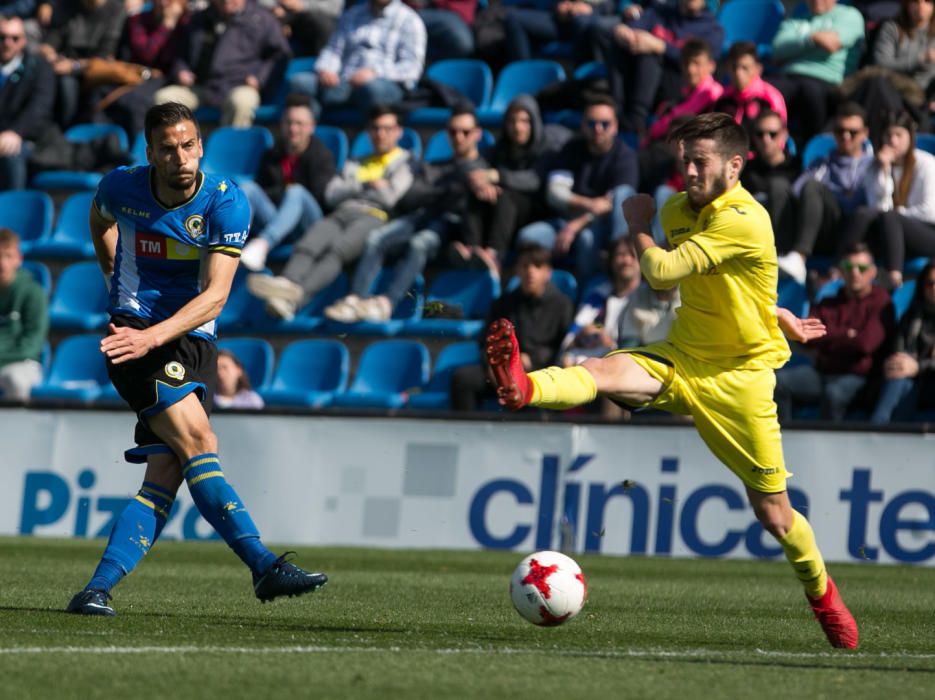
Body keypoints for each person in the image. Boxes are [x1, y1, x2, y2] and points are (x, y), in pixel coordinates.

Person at [484, 113, 860, 649]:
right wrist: (776, 312)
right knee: (599, 370)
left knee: (775, 515)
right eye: (682, 160)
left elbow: (659, 272)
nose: (687, 171)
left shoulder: (744, 216)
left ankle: (823, 596)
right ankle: (525, 388)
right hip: (684, 354)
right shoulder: (680, 208)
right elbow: (723, 281)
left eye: (699, 161)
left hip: (741, 381)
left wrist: (636, 224)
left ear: (735, 165)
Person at [67, 102, 327, 617]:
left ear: (201, 147)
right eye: (168, 148)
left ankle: (95, 590)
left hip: (191, 339)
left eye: (188, 146)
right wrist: (113, 282)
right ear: (151, 154)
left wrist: (157, 336)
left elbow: (215, 297)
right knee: (199, 441)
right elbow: (99, 220)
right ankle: (262, 566)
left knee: (165, 473)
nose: (180, 157)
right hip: (133, 334)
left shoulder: (225, 203)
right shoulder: (122, 187)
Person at [246, 104, 414, 320]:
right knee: (309, 244)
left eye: (387, 128)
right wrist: (367, 185)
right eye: (375, 128)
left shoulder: (407, 162)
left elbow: (391, 197)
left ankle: (294, 300)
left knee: (337, 251)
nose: (381, 134)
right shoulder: (356, 161)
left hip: (374, 216)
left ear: (399, 132)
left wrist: (354, 187)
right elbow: (332, 193)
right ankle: (286, 283)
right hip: (341, 212)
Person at [323, 106, 487, 323]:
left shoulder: (482, 169)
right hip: (421, 217)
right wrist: (445, 190)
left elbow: (467, 204)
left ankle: (386, 303)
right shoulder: (436, 165)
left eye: (465, 132)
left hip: (450, 227)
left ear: (478, 134)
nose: (458, 137)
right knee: (376, 238)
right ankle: (355, 300)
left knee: (419, 243)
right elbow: (411, 196)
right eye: (453, 131)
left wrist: (440, 190)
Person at [515, 95, 638, 282]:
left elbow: (614, 204)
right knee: (528, 237)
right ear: (582, 125)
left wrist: (576, 225)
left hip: (599, 226)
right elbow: (555, 193)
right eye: (592, 123)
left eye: (605, 124)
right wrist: (589, 204)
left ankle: (586, 292)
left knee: (587, 239)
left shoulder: (625, 157)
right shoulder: (571, 149)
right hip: (564, 221)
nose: (598, 129)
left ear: (615, 126)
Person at [774, 244, 896, 421]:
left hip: (859, 378)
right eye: (848, 267)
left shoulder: (882, 302)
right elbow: (804, 337)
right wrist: (848, 334)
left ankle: (828, 448)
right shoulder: (828, 301)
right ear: (841, 270)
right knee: (777, 383)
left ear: (872, 272)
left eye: (861, 268)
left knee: (834, 394)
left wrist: (827, 339)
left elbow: (865, 344)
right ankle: (781, 441)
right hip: (822, 373)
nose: (855, 272)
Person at [451, 242, 573, 411]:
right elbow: (485, 342)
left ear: (548, 272)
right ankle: (465, 433)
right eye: (524, 266)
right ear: (517, 270)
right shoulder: (503, 303)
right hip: (502, 371)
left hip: (541, 371)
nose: (530, 271)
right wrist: (494, 366)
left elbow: (565, 345)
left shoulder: (562, 305)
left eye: (537, 266)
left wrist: (532, 360)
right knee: (463, 379)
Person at [460, 95, 570, 273]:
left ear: (534, 122)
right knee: (477, 192)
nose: (518, 127)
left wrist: (497, 176)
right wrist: (481, 183)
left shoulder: (546, 148)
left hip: (537, 212)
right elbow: (477, 162)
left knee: (507, 195)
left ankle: (495, 255)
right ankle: (472, 250)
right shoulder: (502, 147)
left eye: (524, 121)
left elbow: (534, 180)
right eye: (512, 121)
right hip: (504, 217)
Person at [238, 93, 337, 271]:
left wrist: (284, 192)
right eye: (288, 123)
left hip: (308, 225)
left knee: (296, 192)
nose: (293, 129)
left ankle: (263, 245)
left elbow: (320, 197)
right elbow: (261, 189)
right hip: (276, 219)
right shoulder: (272, 154)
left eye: (299, 124)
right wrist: (282, 193)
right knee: (247, 188)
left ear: (311, 127)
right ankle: (230, 244)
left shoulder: (322, 156)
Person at [778, 102, 874, 285]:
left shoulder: (872, 166)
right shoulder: (821, 163)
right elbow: (795, 195)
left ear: (865, 133)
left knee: (814, 187)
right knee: (781, 187)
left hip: (850, 234)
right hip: (817, 230)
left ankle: (799, 256)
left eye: (853, 132)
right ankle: (780, 254)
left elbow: (874, 205)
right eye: (839, 131)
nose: (845, 136)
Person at [154, 0, 291, 127]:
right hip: (202, 86)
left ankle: (229, 150)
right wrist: (181, 70)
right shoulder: (200, 18)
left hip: (239, 85)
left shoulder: (262, 18)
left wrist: (260, 78)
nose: (225, 1)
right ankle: (176, 149)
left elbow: (280, 54)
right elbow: (181, 53)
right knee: (164, 99)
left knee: (241, 102)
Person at [840, 110, 935, 289]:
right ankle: (839, 270)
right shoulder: (873, 166)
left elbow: (930, 212)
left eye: (899, 135)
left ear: (910, 136)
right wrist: (884, 171)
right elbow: (878, 208)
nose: (893, 141)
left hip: (927, 233)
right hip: (891, 232)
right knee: (863, 214)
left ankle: (893, 278)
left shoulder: (926, 163)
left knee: (890, 217)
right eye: (889, 135)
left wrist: (898, 215)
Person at [287, 0, 426, 118]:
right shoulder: (352, 15)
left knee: (372, 90)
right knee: (299, 83)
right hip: (344, 82)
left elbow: (412, 68)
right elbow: (333, 50)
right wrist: (327, 69)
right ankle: (311, 137)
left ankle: (367, 140)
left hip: (383, 85)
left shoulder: (410, 20)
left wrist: (375, 73)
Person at [769, 0, 865, 148]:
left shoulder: (849, 15)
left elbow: (832, 43)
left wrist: (797, 44)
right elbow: (777, 50)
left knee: (810, 91)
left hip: (826, 81)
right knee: (765, 90)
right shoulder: (797, 19)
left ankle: (812, 149)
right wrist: (812, 39)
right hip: (789, 77)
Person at [559, 236, 642, 366]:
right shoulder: (598, 295)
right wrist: (588, 333)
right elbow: (573, 336)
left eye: (632, 255)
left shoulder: (647, 297)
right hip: (587, 360)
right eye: (620, 255)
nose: (626, 260)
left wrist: (610, 343)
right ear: (612, 260)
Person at [871, 260, 935, 423]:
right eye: (930, 283)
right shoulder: (911, 316)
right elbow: (899, 350)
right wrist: (895, 364)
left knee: (902, 384)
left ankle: (876, 432)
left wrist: (917, 367)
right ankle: (878, 431)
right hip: (912, 381)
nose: (934, 288)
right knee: (899, 381)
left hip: (930, 380)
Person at [0, 14, 55, 191]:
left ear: (23, 41)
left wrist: (16, 132)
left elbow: (40, 107)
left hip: (27, 138)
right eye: (2, 37)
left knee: (11, 154)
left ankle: (11, 215)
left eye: (14, 38)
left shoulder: (38, 68)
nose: (7, 43)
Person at [741, 110, 801, 258]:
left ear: (784, 134)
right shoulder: (745, 170)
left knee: (778, 186)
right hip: (753, 237)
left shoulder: (798, 167)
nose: (766, 139)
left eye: (772, 134)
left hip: (788, 240)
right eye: (760, 134)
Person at [0, 227, 47, 401]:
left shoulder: (32, 293)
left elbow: (31, 346)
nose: (2, 263)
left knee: (16, 381)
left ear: (18, 259)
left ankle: (16, 429)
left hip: (21, 363)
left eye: (8, 256)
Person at [713, 41, 788, 132]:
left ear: (758, 69)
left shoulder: (770, 98)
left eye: (745, 68)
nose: (738, 73)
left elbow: (777, 139)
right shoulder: (722, 97)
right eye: (734, 67)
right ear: (727, 68)